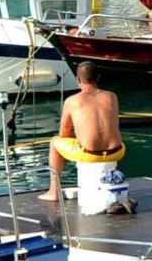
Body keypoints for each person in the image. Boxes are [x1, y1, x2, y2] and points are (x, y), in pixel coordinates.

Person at [39, 62, 126, 204]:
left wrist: (79, 135)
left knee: (55, 142)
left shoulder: (72, 100)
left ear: (78, 79)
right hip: (117, 151)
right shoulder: (112, 97)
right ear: (98, 78)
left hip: (90, 154)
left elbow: (63, 134)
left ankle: (53, 191)